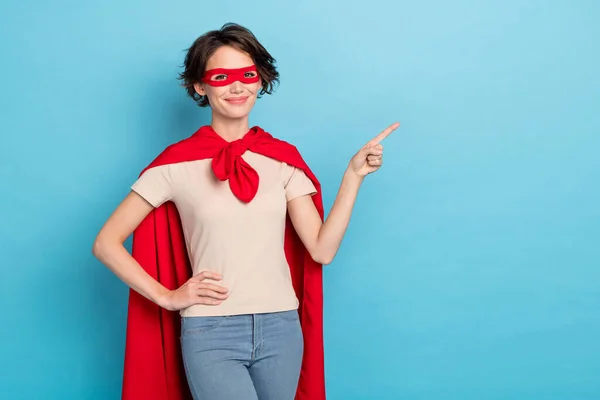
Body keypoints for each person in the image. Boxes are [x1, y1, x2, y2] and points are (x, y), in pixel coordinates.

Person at [92, 22, 398, 400]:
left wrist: (353, 177)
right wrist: (167, 296)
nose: (237, 87)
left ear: (260, 80)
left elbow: (322, 250)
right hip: (211, 332)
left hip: (282, 328)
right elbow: (106, 243)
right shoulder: (174, 166)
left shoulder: (283, 162)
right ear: (199, 86)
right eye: (221, 76)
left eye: (247, 75)